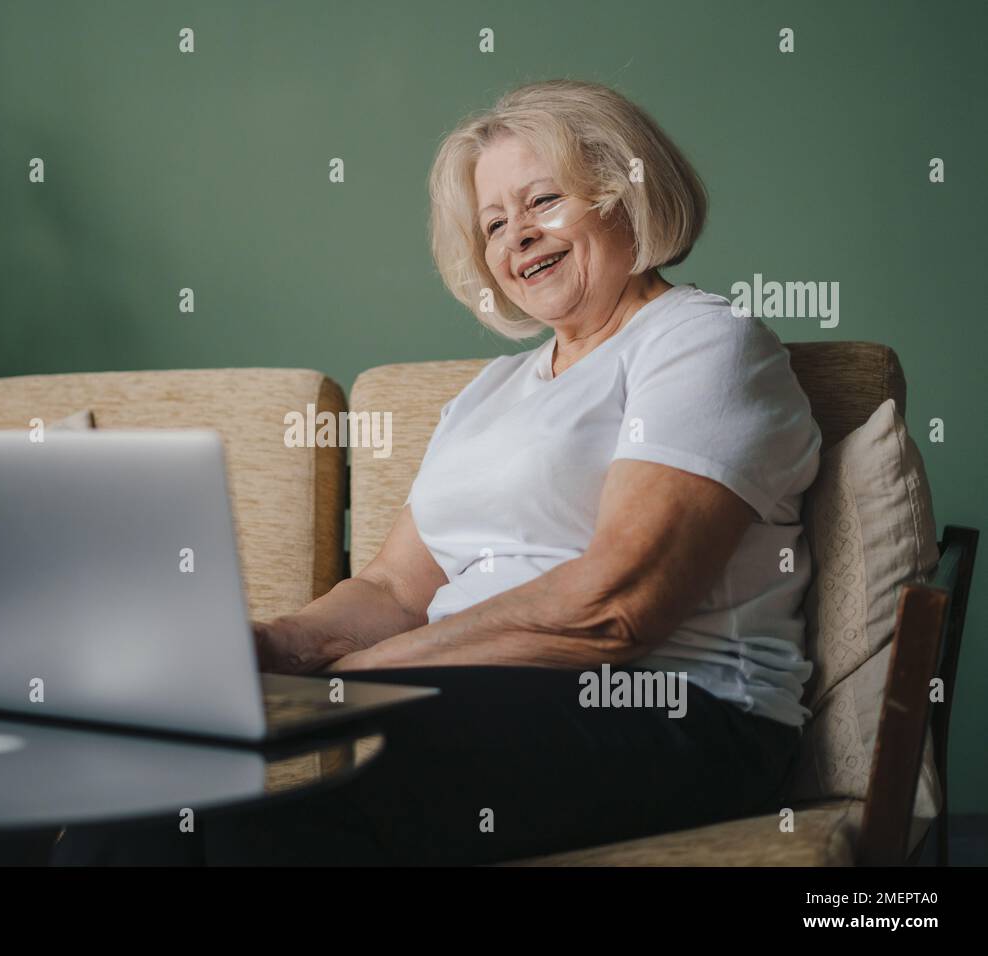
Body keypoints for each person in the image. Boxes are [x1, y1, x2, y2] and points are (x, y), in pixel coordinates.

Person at [56, 78, 821, 866]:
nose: (517, 238)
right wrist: (271, 648)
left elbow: (616, 609)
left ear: (623, 192)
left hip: (671, 710)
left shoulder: (700, 341)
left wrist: (350, 678)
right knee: (126, 778)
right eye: (495, 223)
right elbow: (392, 589)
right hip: (469, 697)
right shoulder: (488, 393)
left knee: (272, 794)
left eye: (542, 201)